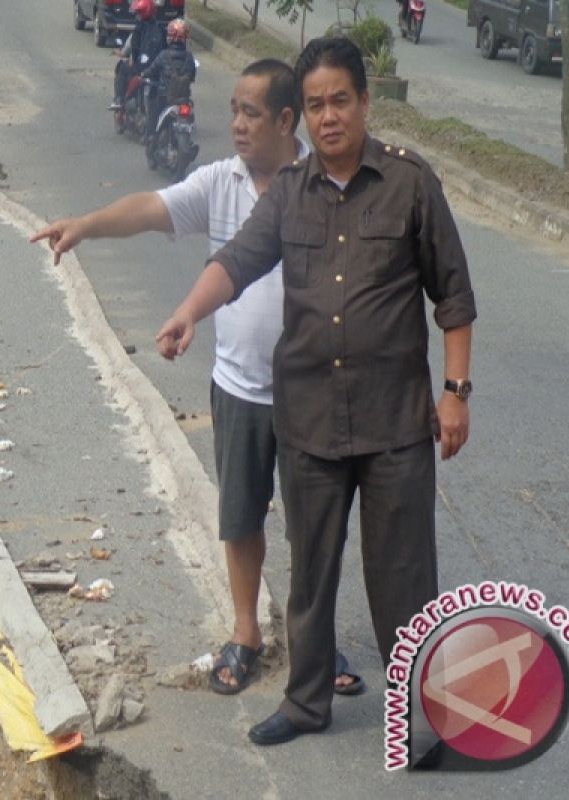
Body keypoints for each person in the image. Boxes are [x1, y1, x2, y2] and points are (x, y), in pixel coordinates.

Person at [155, 36, 476, 746]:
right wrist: (186, 312)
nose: (328, 116)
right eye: (315, 105)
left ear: (363, 102)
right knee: (311, 577)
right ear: (302, 116)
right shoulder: (290, 195)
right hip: (309, 420)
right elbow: (236, 262)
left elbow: (453, 297)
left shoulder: (410, 183)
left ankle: (420, 709)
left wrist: (454, 392)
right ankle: (306, 705)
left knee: (403, 575)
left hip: (394, 421)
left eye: (340, 101)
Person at [31, 59, 363, 698]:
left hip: (313, 393)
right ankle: (245, 636)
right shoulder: (220, 182)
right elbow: (150, 208)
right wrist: (86, 226)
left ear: (287, 120)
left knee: (312, 526)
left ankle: (314, 643)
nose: (236, 124)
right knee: (239, 518)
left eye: (251, 113)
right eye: (233, 110)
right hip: (239, 388)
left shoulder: (322, 184)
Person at [140, 18, 196, 152]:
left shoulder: (163, 55)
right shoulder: (189, 57)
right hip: (184, 99)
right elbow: (193, 76)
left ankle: (151, 140)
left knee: (152, 117)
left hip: (164, 98)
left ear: (170, 37)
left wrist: (142, 75)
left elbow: (151, 70)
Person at [111, 0, 166, 110]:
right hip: (158, 70)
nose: (137, 15)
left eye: (139, 13)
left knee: (122, 67)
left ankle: (119, 99)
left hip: (142, 68)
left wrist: (133, 62)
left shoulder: (138, 29)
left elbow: (134, 50)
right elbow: (165, 49)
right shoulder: (161, 29)